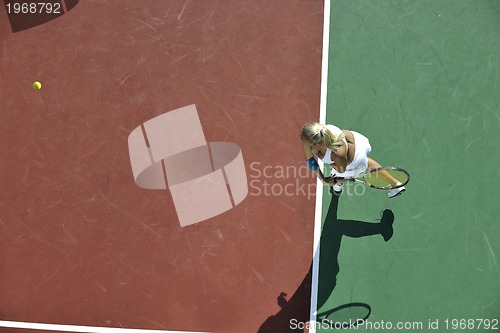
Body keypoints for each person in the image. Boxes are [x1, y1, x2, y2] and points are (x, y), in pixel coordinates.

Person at [300, 122, 405, 198]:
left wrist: (331, 180)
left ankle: (339, 186)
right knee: (367, 163)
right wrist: (323, 179)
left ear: (315, 143)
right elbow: (310, 160)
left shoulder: (337, 155)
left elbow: (341, 171)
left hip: (354, 160)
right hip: (357, 140)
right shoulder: (321, 131)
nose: (301, 138)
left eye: (304, 139)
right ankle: (396, 184)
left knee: (344, 171)